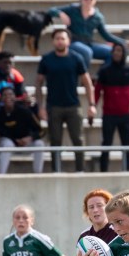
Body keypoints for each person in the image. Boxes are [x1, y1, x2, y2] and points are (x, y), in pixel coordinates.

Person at [36, 29, 96, 173]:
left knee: (78, 140)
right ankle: (56, 171)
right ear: (53, 41)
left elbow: (87, 82)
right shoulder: (46, 59)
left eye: (63, 38)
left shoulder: (76, 58)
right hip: (53, 106)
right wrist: (40, 107)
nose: (60, 41)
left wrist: (92, 104)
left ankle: (80, 171)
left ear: (68, 41)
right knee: (55, 141)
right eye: (57, 38)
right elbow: (38, 83)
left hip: (73, 106)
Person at [92, 42, 129, 172]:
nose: (117, 54)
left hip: (125, 116)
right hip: (109, 115)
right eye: (115, 51)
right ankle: (103, 172)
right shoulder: (104, 71)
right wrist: (92, 108)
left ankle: (127, 171)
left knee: (127, 147)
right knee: (106, 145)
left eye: (120, 51)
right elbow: (97, 92)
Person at [48, 0, 129, 68]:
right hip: (74, 42)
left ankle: (101, 77)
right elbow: (51, 10)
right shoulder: (73, 10)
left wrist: (123, 42)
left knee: (112, 53)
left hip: (89, 43)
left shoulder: (97, 17)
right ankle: (84, 78)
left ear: (94, 0)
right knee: (87, 52)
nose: (88, 1)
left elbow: (106, 35)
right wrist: (61, 14)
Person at [0, 87, 45, 174]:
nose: (8, 97)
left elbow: (41, 131)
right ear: (1, 99)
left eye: (10, 94)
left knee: (39, 144)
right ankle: (1, 175)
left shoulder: (25, 112)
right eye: (5, 95)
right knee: (7, 144)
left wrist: (30, 138)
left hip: (25, 144)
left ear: (15, 97)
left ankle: (38, 174)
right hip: (8, 144)